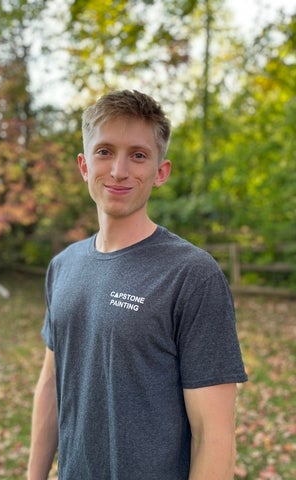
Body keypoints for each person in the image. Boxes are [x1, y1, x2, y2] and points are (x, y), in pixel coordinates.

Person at [27, 89, 247, 480]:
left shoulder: (192, 275)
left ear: (160, 172)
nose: (118, 171)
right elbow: (51, 387)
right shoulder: (63, 266)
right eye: (105, 151)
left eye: (139, 155)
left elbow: (213, 436)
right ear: (83, 165)